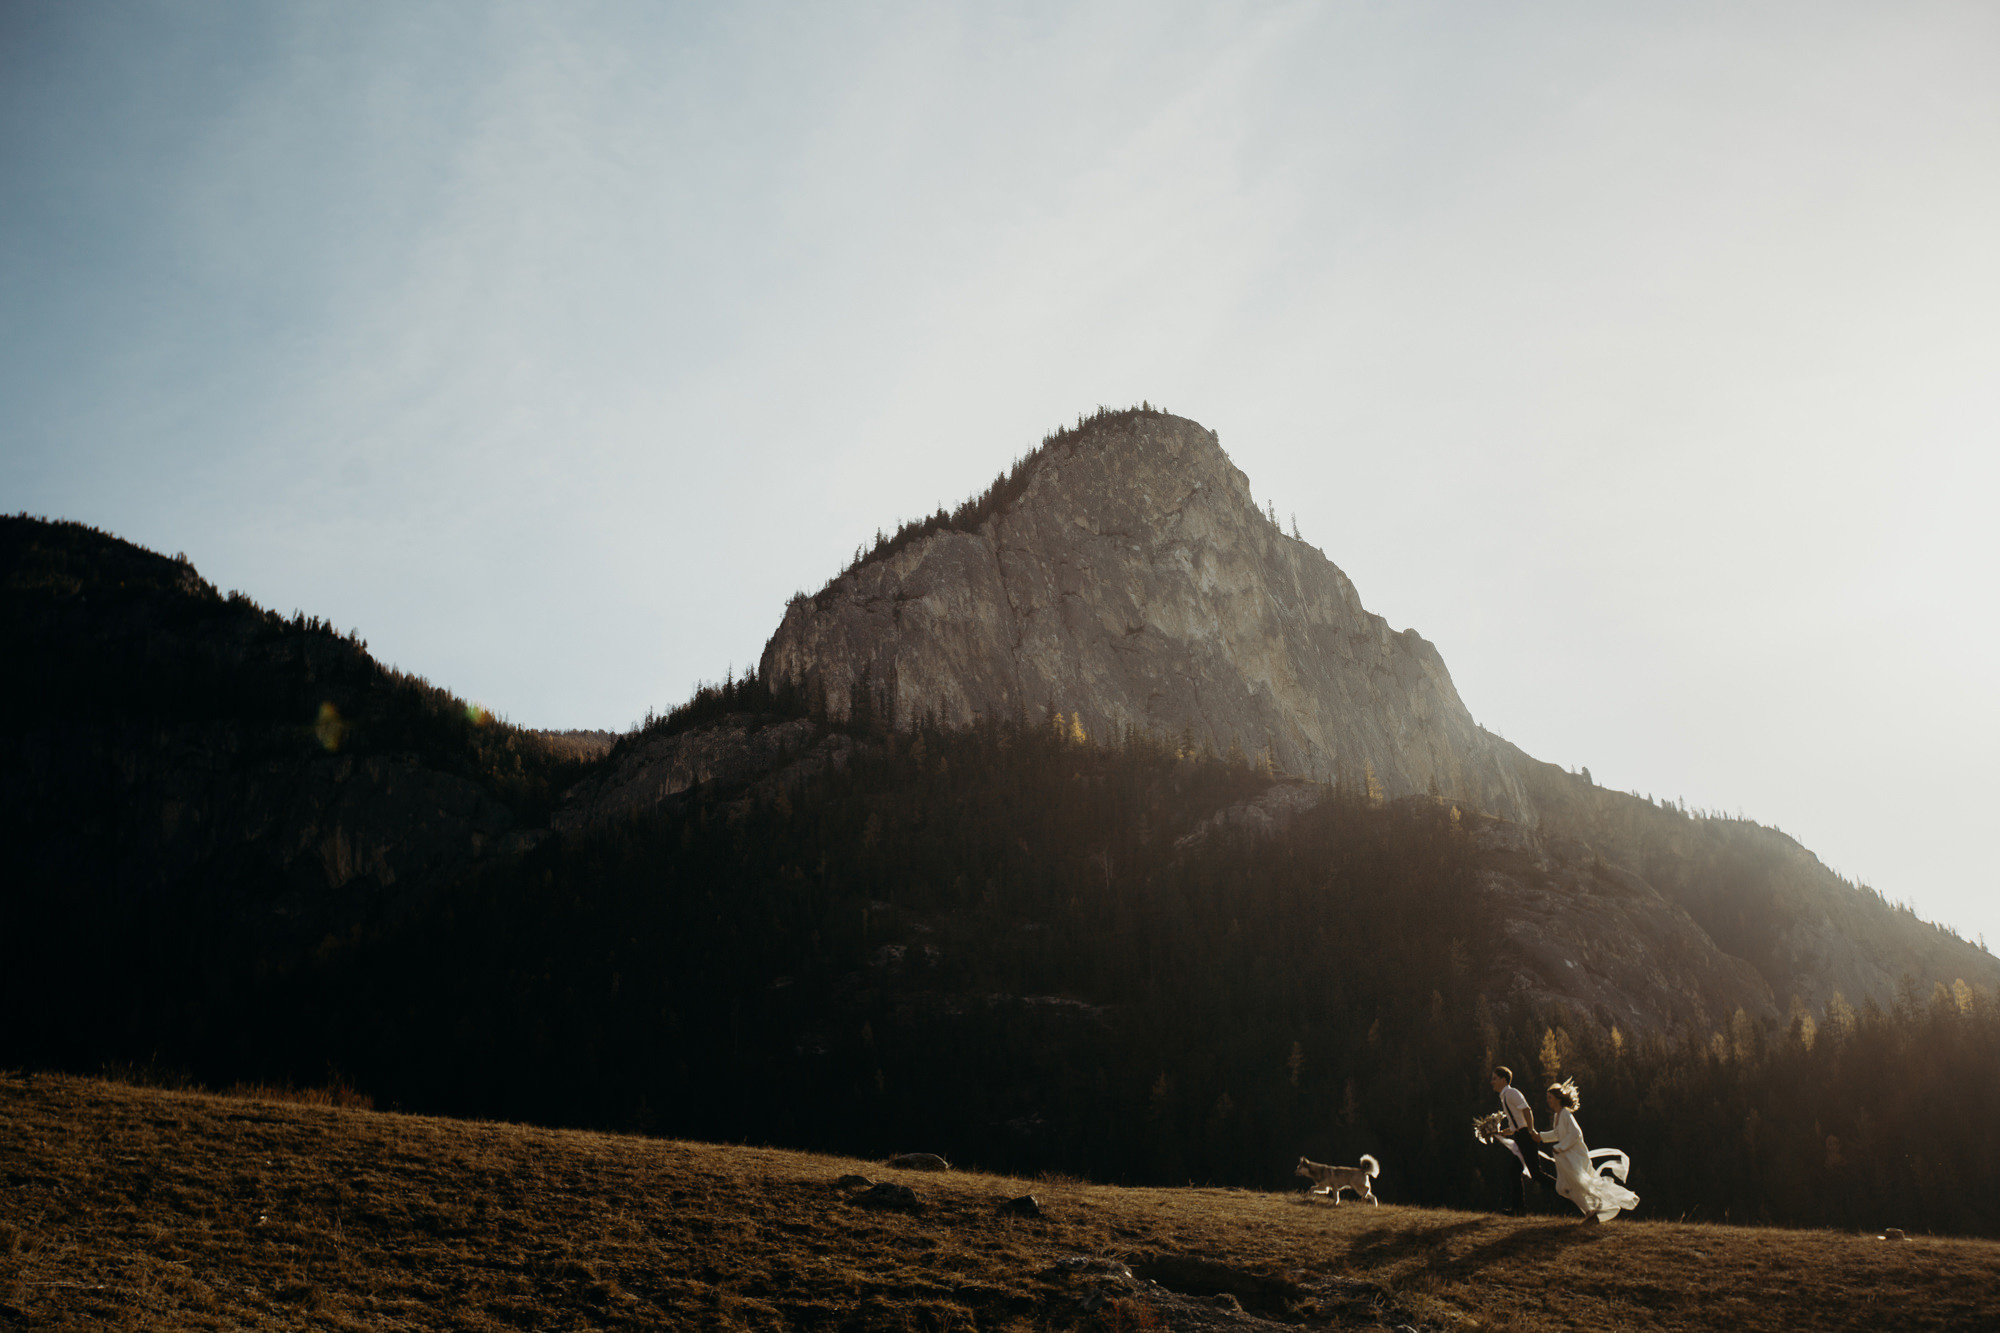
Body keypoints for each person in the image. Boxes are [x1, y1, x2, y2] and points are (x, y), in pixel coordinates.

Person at [1537, 1079, 1640, 1222]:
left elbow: (1576, 1134)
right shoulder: (1558, 1115)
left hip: (1575, 1156)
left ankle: (1592, 1212)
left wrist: (1559, 1147)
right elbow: (1557, 1133)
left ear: (1558, 1099)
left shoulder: (1565, 1114)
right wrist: (1540, 1137)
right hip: (1565, 1157)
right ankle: (1592, 1211)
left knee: (1576, 1185)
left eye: (1550, 1097)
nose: (1548, 1100)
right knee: (1563, 1187)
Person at [1488, 1066, 1549, 1215]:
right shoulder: (1505, 1096)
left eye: (1495, 1078)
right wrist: (1501, 1132)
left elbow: (1527, 1110)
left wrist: (1530, 1130)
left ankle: (1566, 1192)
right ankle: (1518, 1209)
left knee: (1536, 1174)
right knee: (1514, 1171)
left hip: (1525, 1137)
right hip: (1520, 1136)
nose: (1492, 1082)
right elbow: (1515, 1124)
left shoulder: (1511, 1093)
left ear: (1503, 1080)